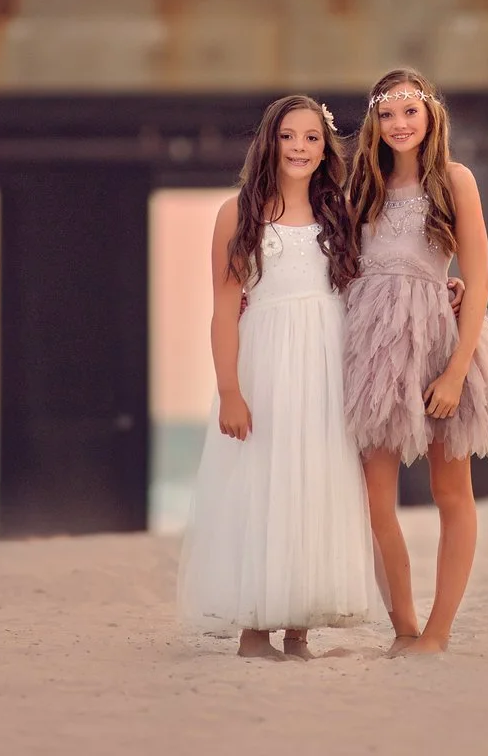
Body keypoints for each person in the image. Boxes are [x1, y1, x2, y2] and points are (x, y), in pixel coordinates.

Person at [177, 95, 375, 659]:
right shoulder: (238, 213)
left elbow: (370, 279)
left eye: (312, 138)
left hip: (325, 361)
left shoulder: (341, 211)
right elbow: (223, 308)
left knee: (315, 482)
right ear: (270, 141)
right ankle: (254, 631)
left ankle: (298, 631)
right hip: (265, 361)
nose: (300, 148)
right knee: (264, 481)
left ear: (325, 147)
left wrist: (446, 286)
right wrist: (229, 391)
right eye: (289, 136)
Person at [342, 68, 488, 656]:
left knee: (452, 492)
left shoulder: (456, 181)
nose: (399, 125)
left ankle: (438, 633)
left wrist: (455, 371)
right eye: (387, 115)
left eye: (409, 112)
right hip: (374, 349)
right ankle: (405, 627)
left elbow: (481, 279)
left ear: (429, 117)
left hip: (442, 342)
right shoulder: (359, 188)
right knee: (376, 500)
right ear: (374, 123)